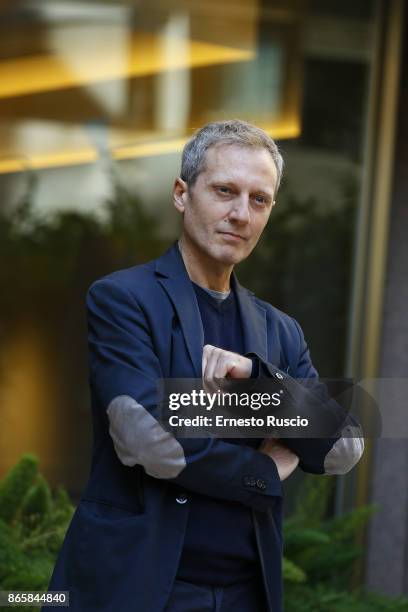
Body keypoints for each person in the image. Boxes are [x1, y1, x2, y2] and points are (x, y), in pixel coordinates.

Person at [45, 120, 364, 612]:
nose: (241, 213)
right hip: (140, 589)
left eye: (259, 200)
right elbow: (151, 441)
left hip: (246, 594)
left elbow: (343, 446)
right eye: (224, 191)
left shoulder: (281, 333)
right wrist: (261, 465)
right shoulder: (124, 299)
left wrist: (256, 382)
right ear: (181, 194)